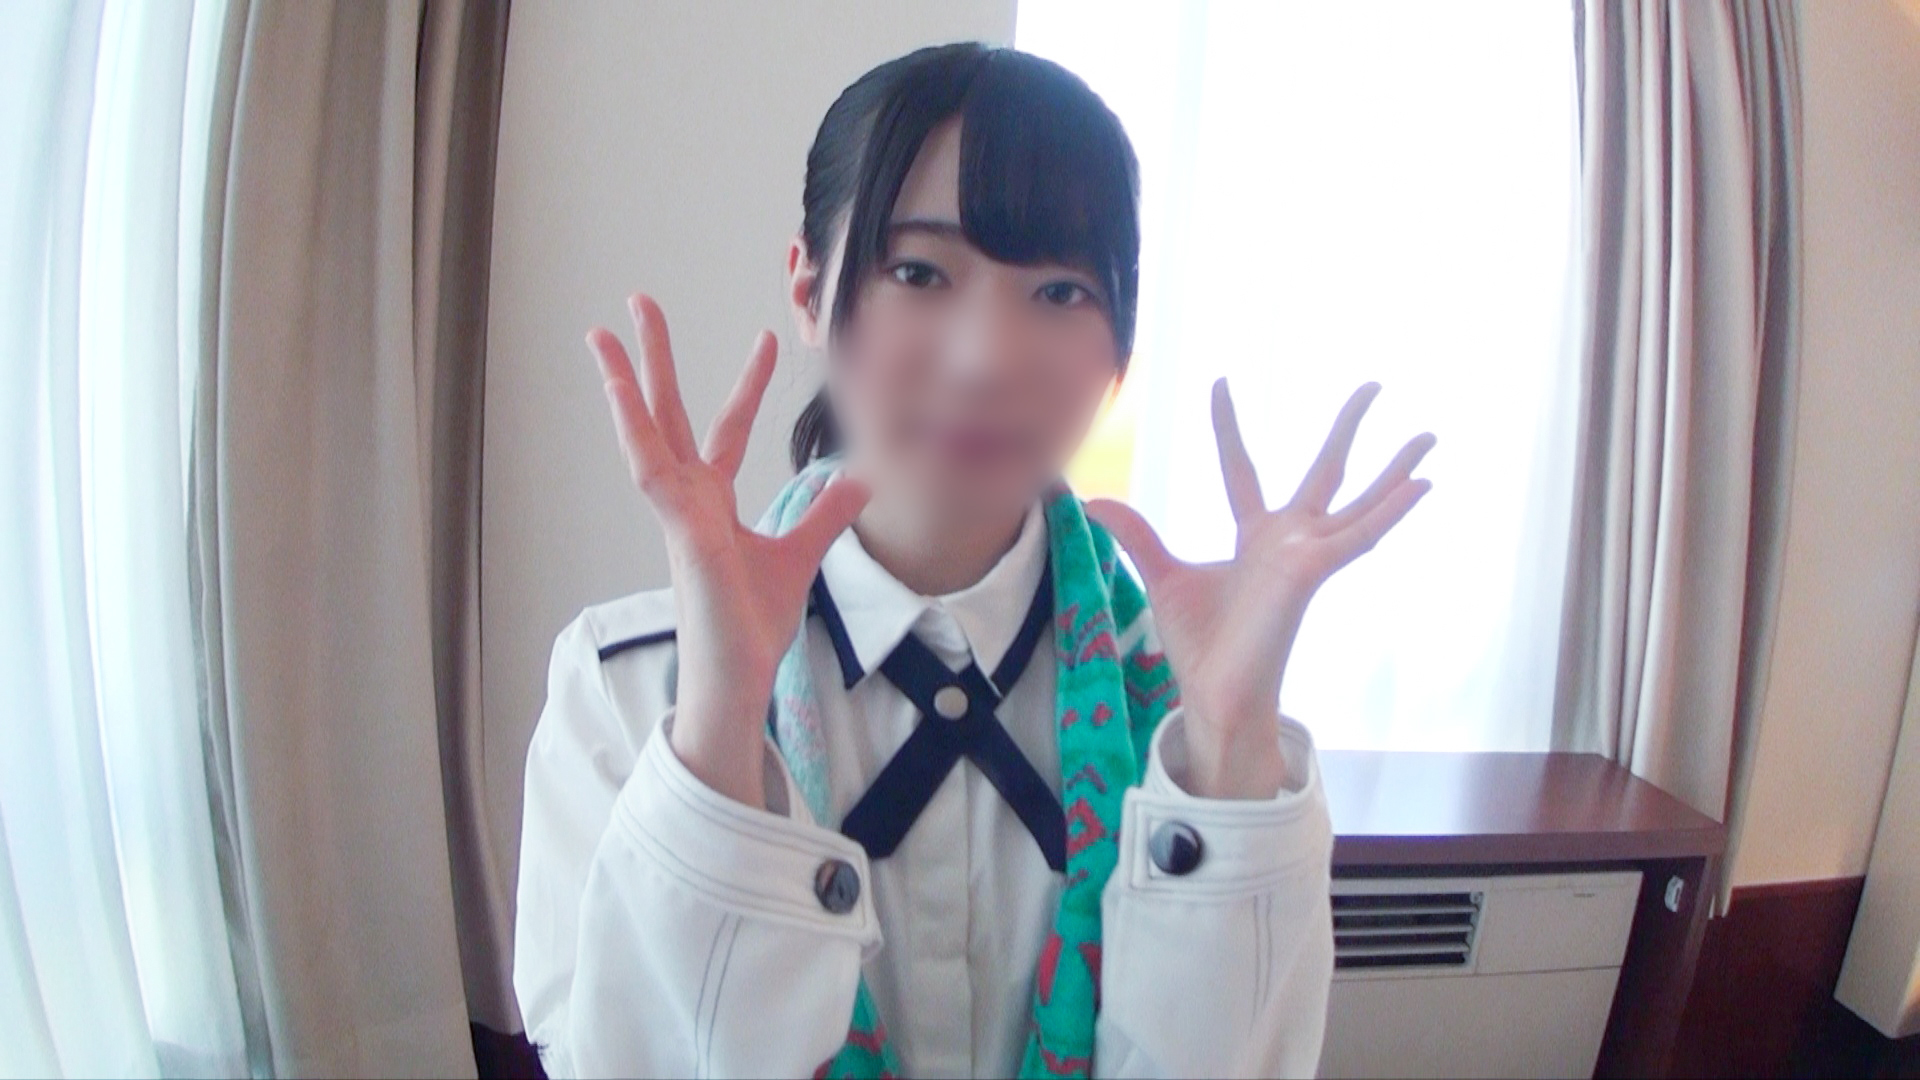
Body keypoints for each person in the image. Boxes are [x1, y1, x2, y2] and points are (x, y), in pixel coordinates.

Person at [512, 42, 1434, 1080]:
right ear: (809, 289)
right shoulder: (627, 685)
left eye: (1059, 293)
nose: (987, 357)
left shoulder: (1176, 704)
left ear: (1120, 347)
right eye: (919, 273)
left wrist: (1227, 748)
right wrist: (721, 723)